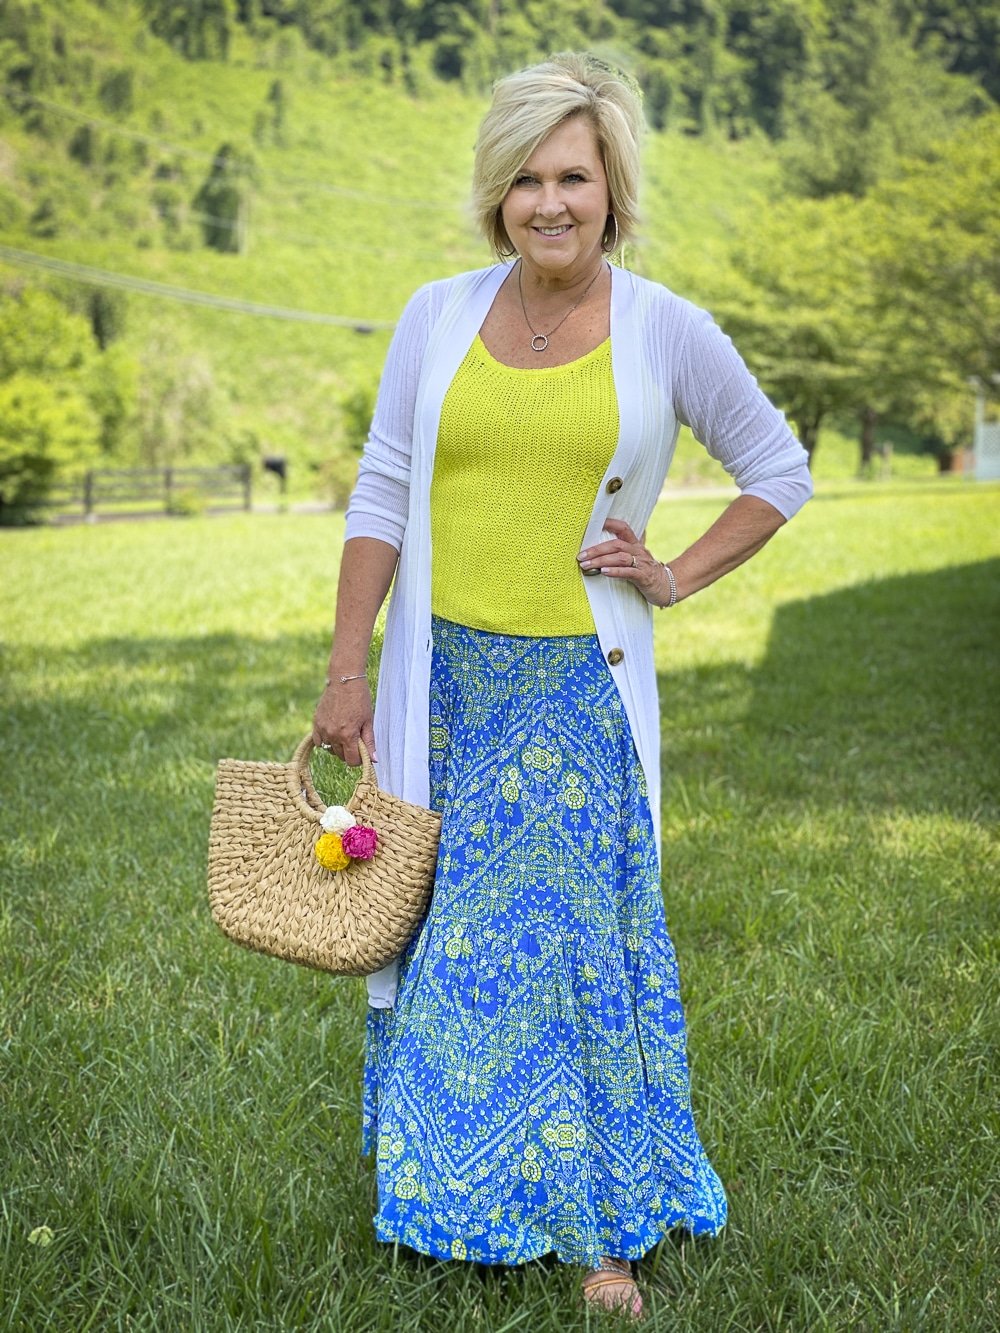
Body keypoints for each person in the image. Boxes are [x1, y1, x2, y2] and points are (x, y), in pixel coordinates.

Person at [312, 52, 811, 1320]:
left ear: (612, 188)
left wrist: (678, 572)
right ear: (496, 193)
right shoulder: (435, 315)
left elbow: (775, 466)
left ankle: (595, 1231)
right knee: (443, 941)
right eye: (525, 178)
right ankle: (451, 1194)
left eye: (573, 177)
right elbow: (381, 490)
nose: (549, 202)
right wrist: (346, 669)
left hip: (576, 698)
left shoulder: (664, 327)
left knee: (554, 945)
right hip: (447, 686)